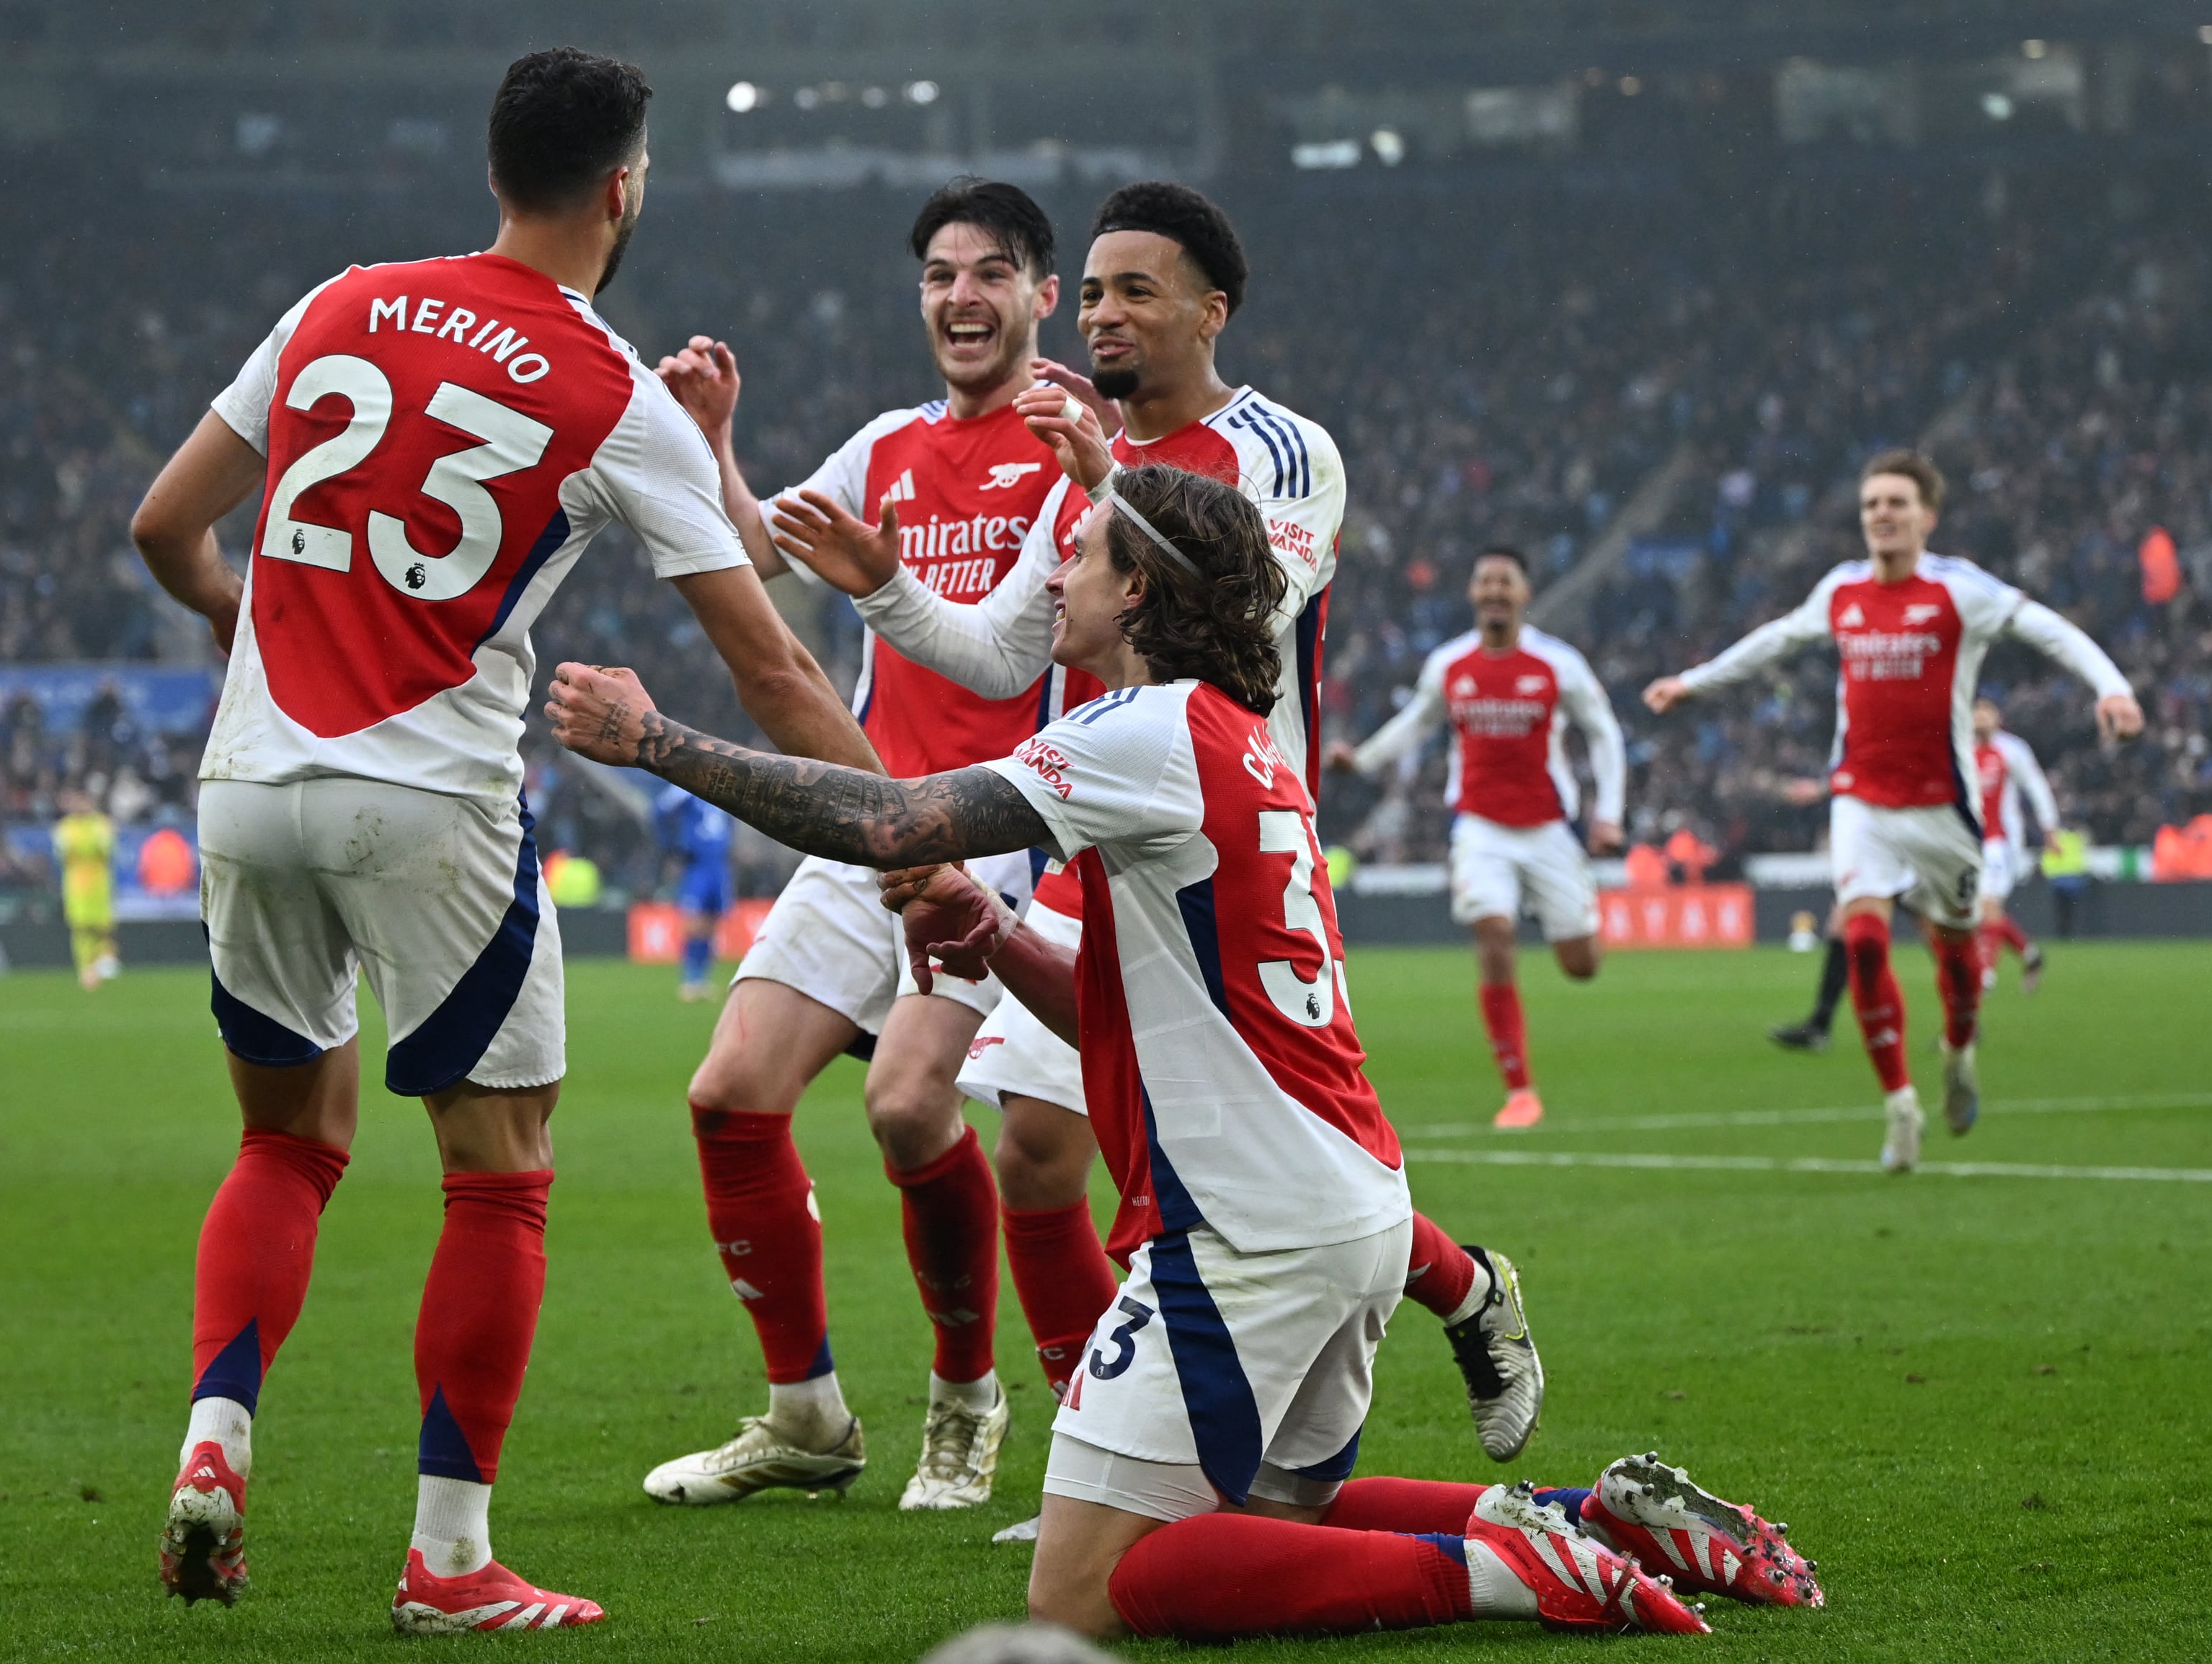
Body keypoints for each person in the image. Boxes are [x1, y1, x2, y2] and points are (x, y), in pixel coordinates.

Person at [546, 464, 1821, 1642]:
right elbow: (1116, 1008)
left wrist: (654, 739)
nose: (1055, 577)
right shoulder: (1234, 741)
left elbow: (887, 818)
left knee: (1089, 1586)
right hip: (1345, 1207)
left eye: (1080, 557)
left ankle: (1510, 1573)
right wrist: (987, 927)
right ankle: (1597, 1515)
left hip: (1250, 1234)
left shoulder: (1143, 733)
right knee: (1279, 1523)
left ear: (1138, 587)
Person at [127, 47, 876, 1632]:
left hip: (250, 779)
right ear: (624, 190)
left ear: (493, 169)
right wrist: (918, 840)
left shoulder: (337, 303)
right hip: (432, 796)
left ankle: (213, 1445)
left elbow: (160, 523)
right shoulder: (611, 384)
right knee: (498, 1171)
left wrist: (235, 622)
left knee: (283, 1141)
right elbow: (773, 666)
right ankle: (451, 1559)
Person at [776, 181, 1544, 1494]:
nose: (1103, 314)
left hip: (1230, 842)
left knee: (1228, 1149)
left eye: (1135, 289)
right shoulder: (1085, 463)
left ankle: (1466, 1287)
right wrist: (886, 587)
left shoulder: (1278, 447)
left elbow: (1246, 585)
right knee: (1041, 1147)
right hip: (1100, 825)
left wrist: (1103, 481)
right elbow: (997, 648)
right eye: (1089, 292)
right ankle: (1105, 1447)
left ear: (1210, 310)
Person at [636, 179, 1096, 1515]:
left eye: (992, 273)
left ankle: (965, 1399)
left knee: (905, 1106)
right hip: (867, 810)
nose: (962, 297)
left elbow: (1021, 644)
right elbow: (762, 566)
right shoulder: (886, 443)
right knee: (727, 1094)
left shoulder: (1070, 440)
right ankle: (806, 1416)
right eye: (940, 274)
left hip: (1002, 831)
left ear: (1039, 295)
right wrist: (719, 444)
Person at [1645, 448, 2142, 1174]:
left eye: (1897, 503)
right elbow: (1776, 639)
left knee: (1957, 959)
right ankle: (1900, 1105)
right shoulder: (1842, 591)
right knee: (1866, 939)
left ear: (1926, 517)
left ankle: (1960, 1052)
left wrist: (2114, 687)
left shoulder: (1958, 591)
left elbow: (2051, 631)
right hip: (1862, 801)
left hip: (1944, 811)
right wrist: (1692, 682)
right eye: (1872, 502)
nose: (1882, 513)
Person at [1325, 546, 1626, 1130]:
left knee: (1582, 964)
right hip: (1480, 827)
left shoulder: (1557, 664)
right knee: (1492, 930)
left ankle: (1558, 909)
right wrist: (1361, 761)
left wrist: (1608, 814)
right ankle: (1519, 1091)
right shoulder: (1450, 664)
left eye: (1504, 582)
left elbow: (1604, 733)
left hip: (1548, 829)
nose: (1493, 591)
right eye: (1484, 581)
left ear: (1524, 594)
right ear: (1472, 593)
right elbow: (1417, 721)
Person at [1971, 698, 2058, 993]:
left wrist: (2049, 828)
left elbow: (2036, 786)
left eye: (1987, 711)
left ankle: (1985, 975)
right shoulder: (1959, 748)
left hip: (2002, 841)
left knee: (1988, 906)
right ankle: (2031, 955)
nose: (1981, 717)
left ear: (1998, 717)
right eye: (1976, 712)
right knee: (1982, 911)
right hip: (1969, 841)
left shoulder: (2012, 749)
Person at [649, 779, 732, 1002]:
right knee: (693, 922)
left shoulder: (725, 792)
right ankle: (690, 980)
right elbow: (659, 810)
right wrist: (671, 847)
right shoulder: (688, 788)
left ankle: (702, 980)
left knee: (711, 923)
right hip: (697, 866)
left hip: (719, 866)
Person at [51, 788, 120, 990]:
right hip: (77, 885)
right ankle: (86, 968)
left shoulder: (101, 823)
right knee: (81, 927)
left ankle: (104, 961)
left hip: (99, 883)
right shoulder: (66, 827)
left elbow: (107, 849)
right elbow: (62, 853)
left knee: (102, 925)